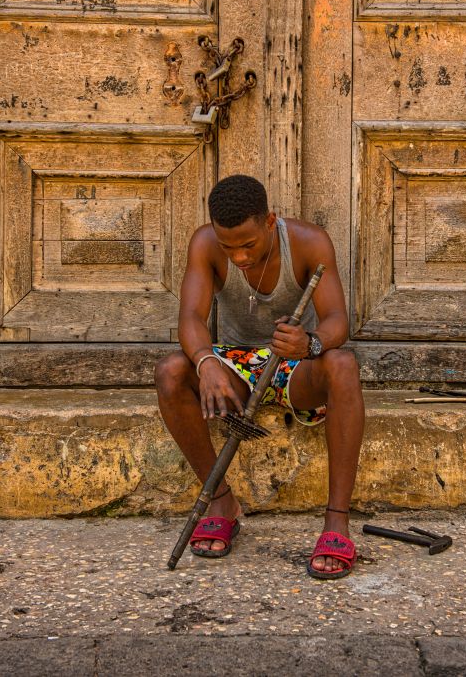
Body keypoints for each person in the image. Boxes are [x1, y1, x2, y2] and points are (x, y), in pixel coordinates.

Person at [154, 174, 365, 579]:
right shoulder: (204, 243)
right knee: (171, 370)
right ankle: (220, 502)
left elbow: (339, 320)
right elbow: (191, 319)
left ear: (270, 221)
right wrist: (205, 363)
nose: (239, 258)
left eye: (248, 245)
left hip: (293, 364)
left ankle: (336, 521)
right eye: (228, 247)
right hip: (234, 367)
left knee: (343, 365)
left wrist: (312, 343)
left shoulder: (310, 241)